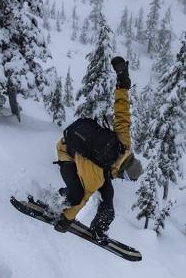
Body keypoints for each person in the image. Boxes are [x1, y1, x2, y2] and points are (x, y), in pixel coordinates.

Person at [54, 56, 143, 243]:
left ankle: (98, 228)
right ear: (124, 171)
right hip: (67, 153)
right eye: (125, 177)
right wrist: (66, 221)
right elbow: (85, 197)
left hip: (93, 159)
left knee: (108, 197)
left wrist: (122, 83)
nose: (121, 179)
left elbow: (122, 113)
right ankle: (60, 203)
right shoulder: (96, 175)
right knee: (77, 194)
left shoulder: (123, 144)